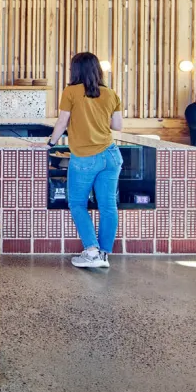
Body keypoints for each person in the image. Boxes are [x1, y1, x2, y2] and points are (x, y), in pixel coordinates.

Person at [47, 52, 122, 269]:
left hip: (85, 157)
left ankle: (91, 251)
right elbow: (117, 126)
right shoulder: (110, 94)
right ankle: (104, 254)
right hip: (111, 155)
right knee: (108, 205)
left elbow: (62, 122)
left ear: (75, 70)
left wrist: (50, 144)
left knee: (78, 204)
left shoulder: (70, 91)